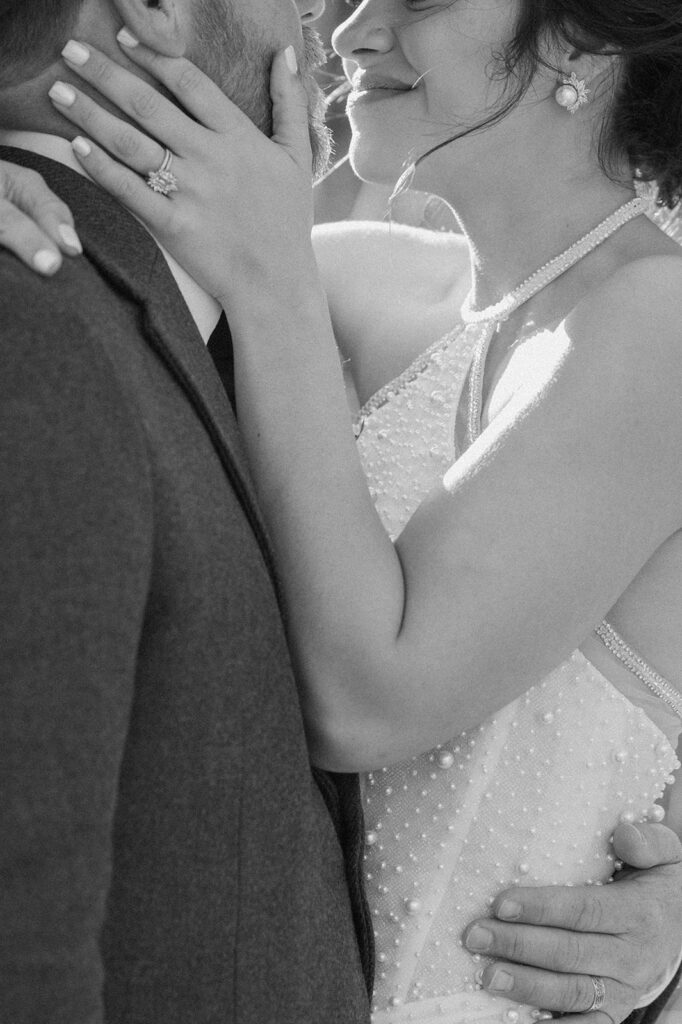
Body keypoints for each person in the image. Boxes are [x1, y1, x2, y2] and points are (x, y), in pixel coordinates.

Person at [1, 2, 682, 1024]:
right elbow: (117, 301)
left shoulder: (657, 324)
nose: (350, 30)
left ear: (577, 37)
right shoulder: (360, 282)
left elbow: (367, 704)